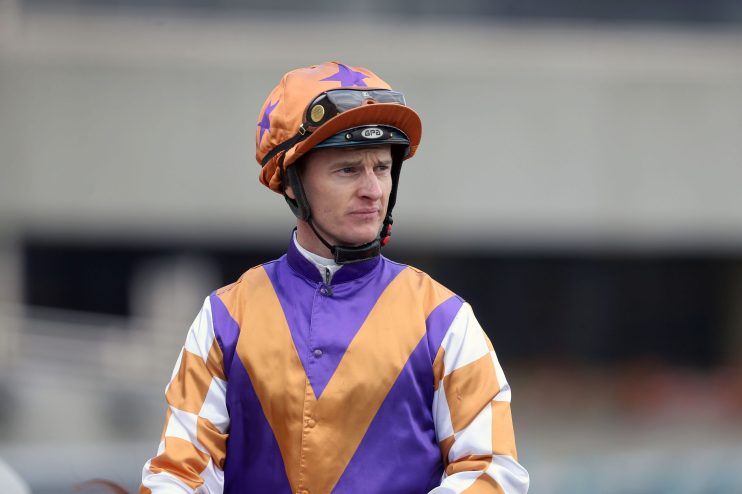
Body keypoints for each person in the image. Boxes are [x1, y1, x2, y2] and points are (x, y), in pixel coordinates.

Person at [140, 61, 529, 494]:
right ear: (292, 183)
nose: (373, 190)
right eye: (348, 170)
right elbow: (179, 473)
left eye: (381, 168)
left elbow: (492, 472)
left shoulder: (445, 319)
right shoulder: (225, 316)